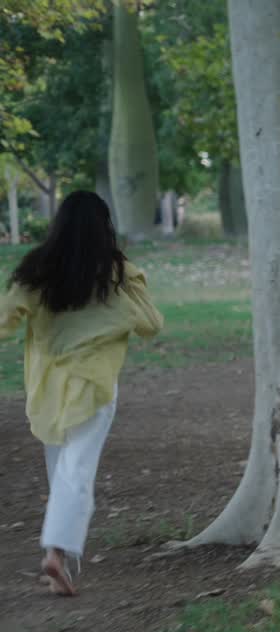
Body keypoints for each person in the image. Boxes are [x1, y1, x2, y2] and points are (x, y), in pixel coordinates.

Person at [1, 191, 163, 595]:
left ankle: (62, 569)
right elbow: (151, 323)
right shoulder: (116, 271)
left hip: (48, 387)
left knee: (62, 471)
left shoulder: (35, 269)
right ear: (103, 225)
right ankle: (56, 552)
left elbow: (5, 319)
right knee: (77, 471)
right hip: (94, 384)